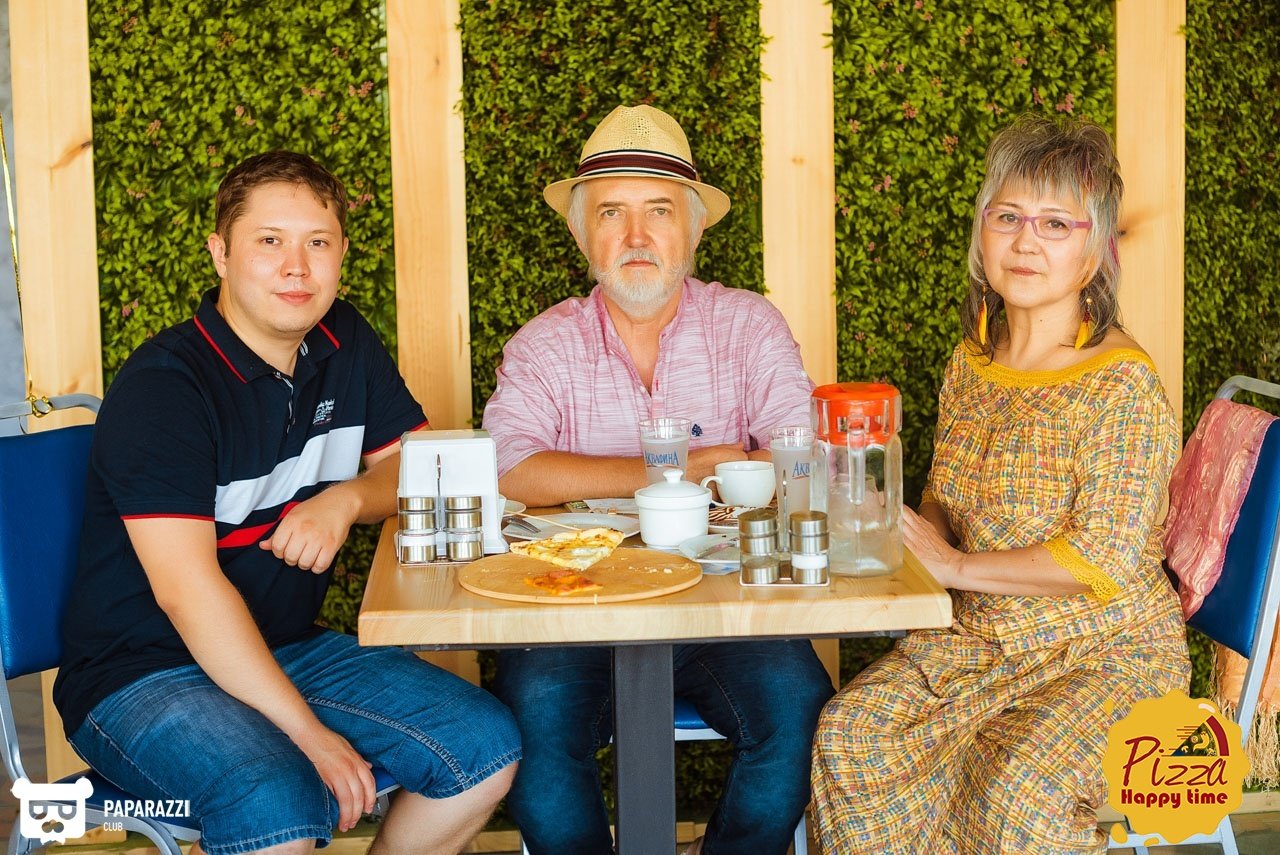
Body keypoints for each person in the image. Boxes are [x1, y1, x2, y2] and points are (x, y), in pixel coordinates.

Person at [53, 151, 520, 855]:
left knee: (481, 746)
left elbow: (418, 467)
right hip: (141, 672)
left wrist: (347, 499)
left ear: (341, 254)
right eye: (269, 241)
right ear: (221, 253)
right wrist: (311, 735)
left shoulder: (343, 339)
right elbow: (188, 592)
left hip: (285, 645)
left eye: (317, 243)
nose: (296, 267)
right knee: (278, 797)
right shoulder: (164, 388)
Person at [811, 116, 1191, 853]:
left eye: (1056, 224)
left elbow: (1104, 559)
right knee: (853, 733)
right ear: (982, 233)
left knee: (1014, 792)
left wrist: (954, 567)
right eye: (1008, 217)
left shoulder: (1121, 385)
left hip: (1105, 651)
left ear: (1095, 252)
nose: (1026, 241)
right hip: (980, 641)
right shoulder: (973, 359)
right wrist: (896, 534)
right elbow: (943, 501)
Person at [482, 105, 833, 855]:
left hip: (725, 610)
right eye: (612, 212)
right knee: (532, 732)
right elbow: (510, 467)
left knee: (801, 712)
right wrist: (681, 468)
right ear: (583, 234)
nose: (636, 236)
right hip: (571, 609)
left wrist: (737, 466)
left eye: (659, 211)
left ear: (693, 230)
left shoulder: (749, 326)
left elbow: (799, 457)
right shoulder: (544, 343)